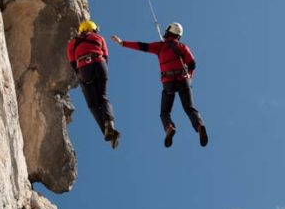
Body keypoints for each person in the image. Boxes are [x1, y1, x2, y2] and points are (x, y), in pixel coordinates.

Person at [111, 23, 208, 148]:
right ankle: (199, 125)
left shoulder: (160, 46)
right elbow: (192, 64)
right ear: (178, 35)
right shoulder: (182, 46)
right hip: (183, 80)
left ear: (168, 31)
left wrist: (122, 43)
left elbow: (142, 46)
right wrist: (190, 74)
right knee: (189, 108)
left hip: (168, 82)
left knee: (165, 112)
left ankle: (169, 127)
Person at [67, 20, 120, 149]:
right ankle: (110, 122)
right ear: (94, 29)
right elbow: (106, 56)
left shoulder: (72, 43)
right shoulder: (99, 37)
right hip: (100, 64)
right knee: (103, 97)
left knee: (92, 104)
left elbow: (73, 63)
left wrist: (80, 74)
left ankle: (107, 131)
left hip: (84, 67)